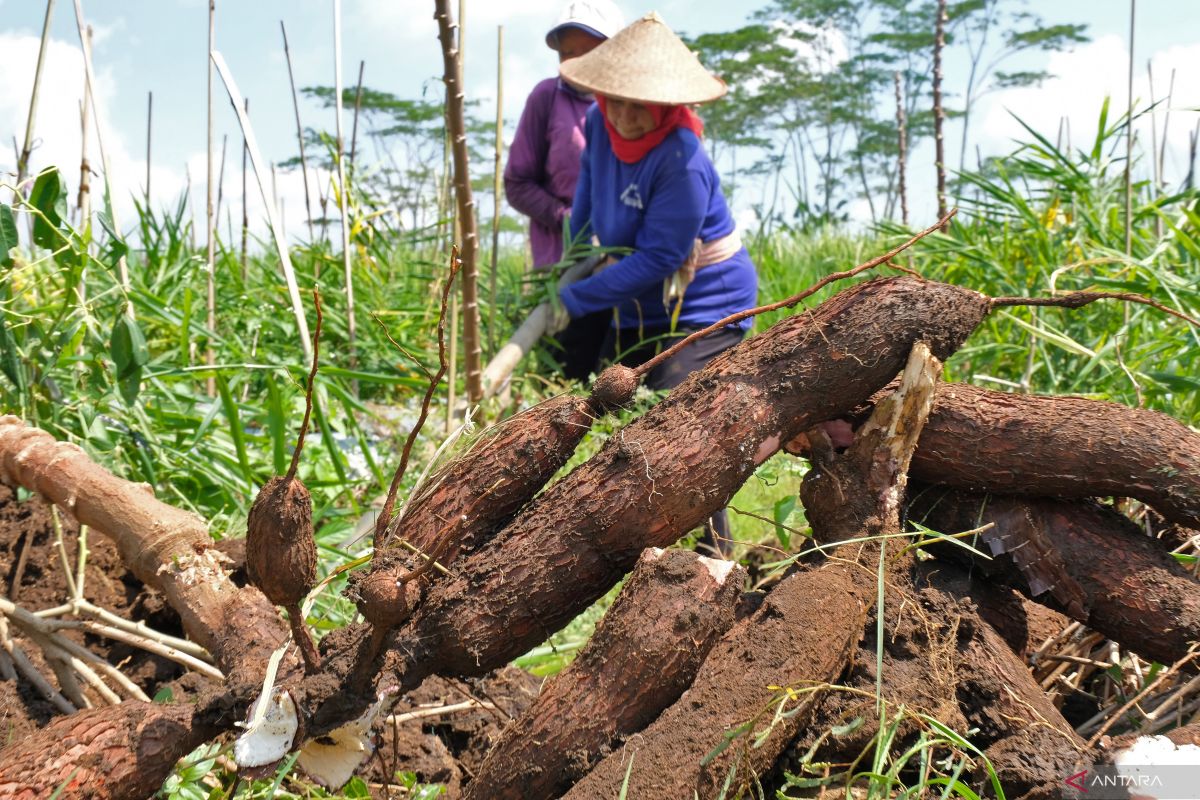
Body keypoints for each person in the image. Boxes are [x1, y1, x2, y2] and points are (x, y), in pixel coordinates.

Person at [557, 12, 758, 555]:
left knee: (679, 421)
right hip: (640, 300)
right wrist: (569, 261)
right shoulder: (600, 124)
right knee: (619, 409)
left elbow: (660, 257)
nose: (624, 116)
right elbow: (587, 201)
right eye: (614, 99)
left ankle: (713, 555)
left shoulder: (682, 159)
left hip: (705, 301)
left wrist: (574, 298)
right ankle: (633, 540)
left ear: (667, 103)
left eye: (638, 104)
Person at [504, 0, 625, 380]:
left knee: (619, 375)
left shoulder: (633, 105)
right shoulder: (547, 98)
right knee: (565, 375)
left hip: (626, 266)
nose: (573, 62)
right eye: (566, 53)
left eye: (585, 51)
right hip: (564, 263)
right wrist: (566, 218)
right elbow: (517, 183)